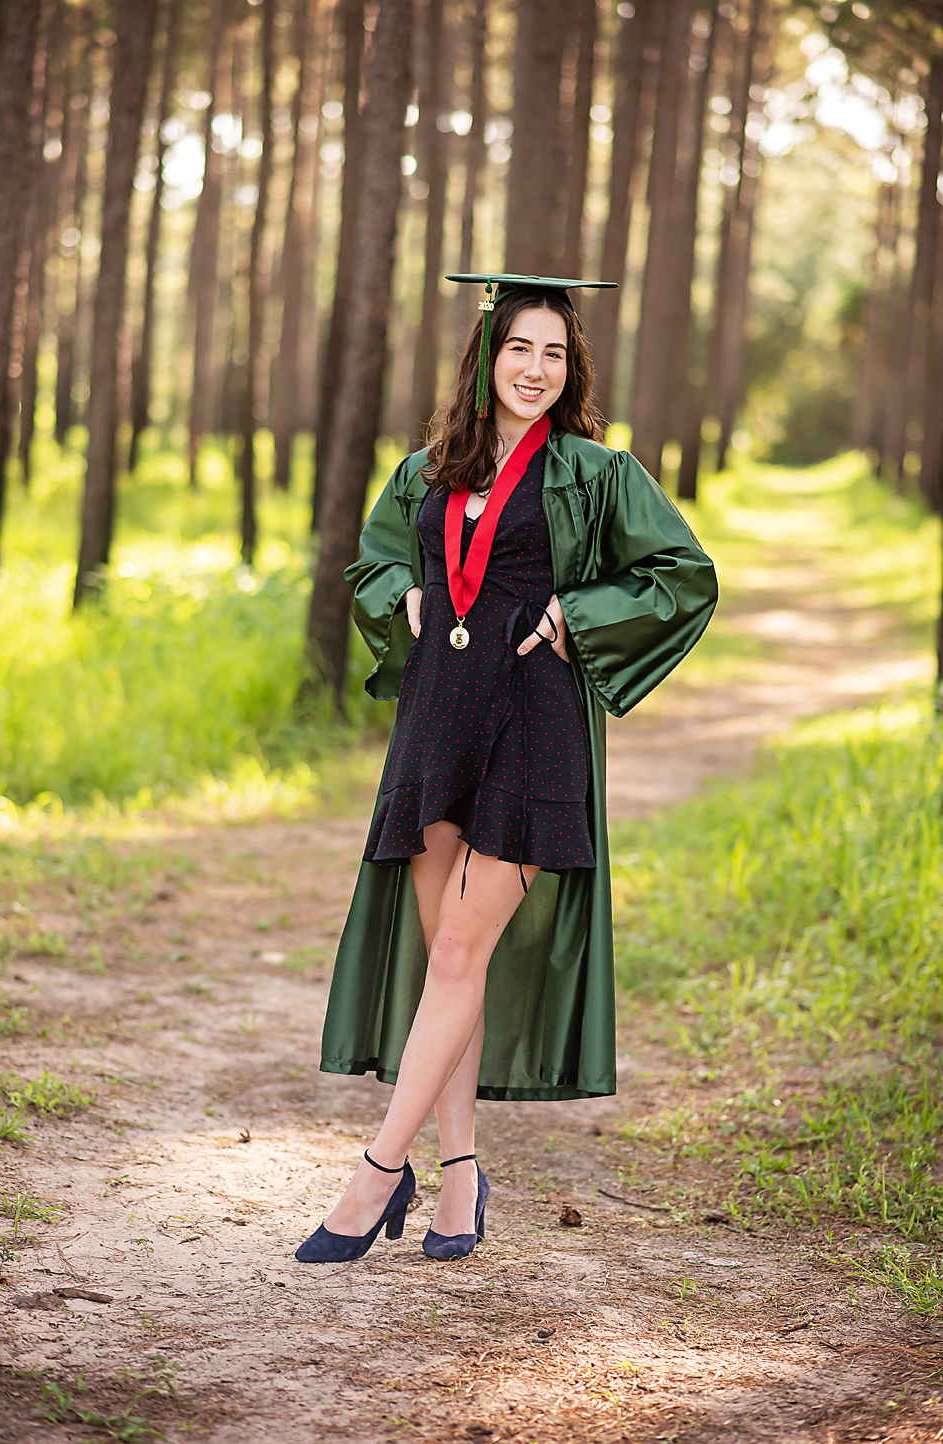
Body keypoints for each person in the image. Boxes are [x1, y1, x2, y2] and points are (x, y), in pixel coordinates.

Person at [295, 273, 718, 1264]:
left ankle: (375, 1171)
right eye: (519, 348)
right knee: (457, 962)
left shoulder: (596, 473)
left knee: (453, 957)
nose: (534, 368)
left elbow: (681, 576)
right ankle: (459, 1180)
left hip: (532, 728)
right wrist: (401, 587)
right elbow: (372, 564)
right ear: (485, 359)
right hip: (437, 724)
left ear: (570, 371)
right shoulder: (426, 471)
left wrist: (581, 613)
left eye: (554, 353)